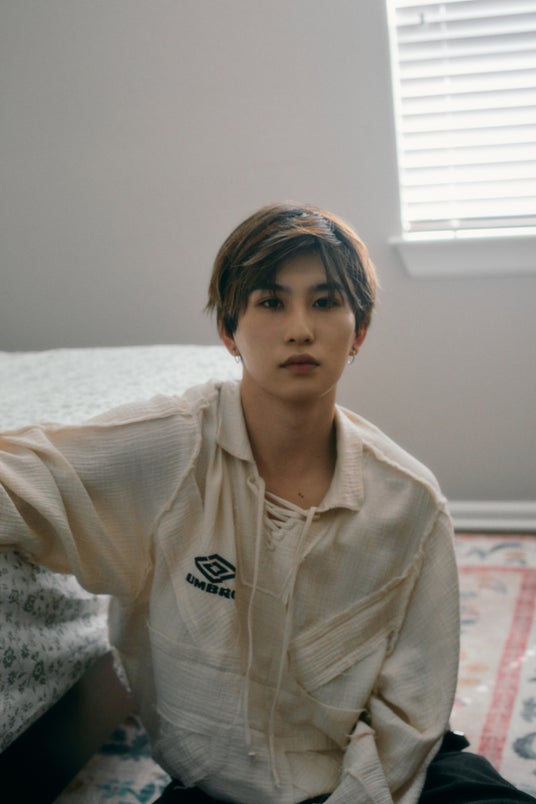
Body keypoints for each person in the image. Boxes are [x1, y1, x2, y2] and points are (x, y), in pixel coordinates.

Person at [0, 203, 532, 803]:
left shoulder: (410, 503)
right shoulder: (171, 447)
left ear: (358, 331)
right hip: (222, 788)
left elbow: (410, 716)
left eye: (325, 302)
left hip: (376, 776)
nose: (300, 329)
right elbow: (23, 480)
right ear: (229, 331)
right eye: (271, 302)